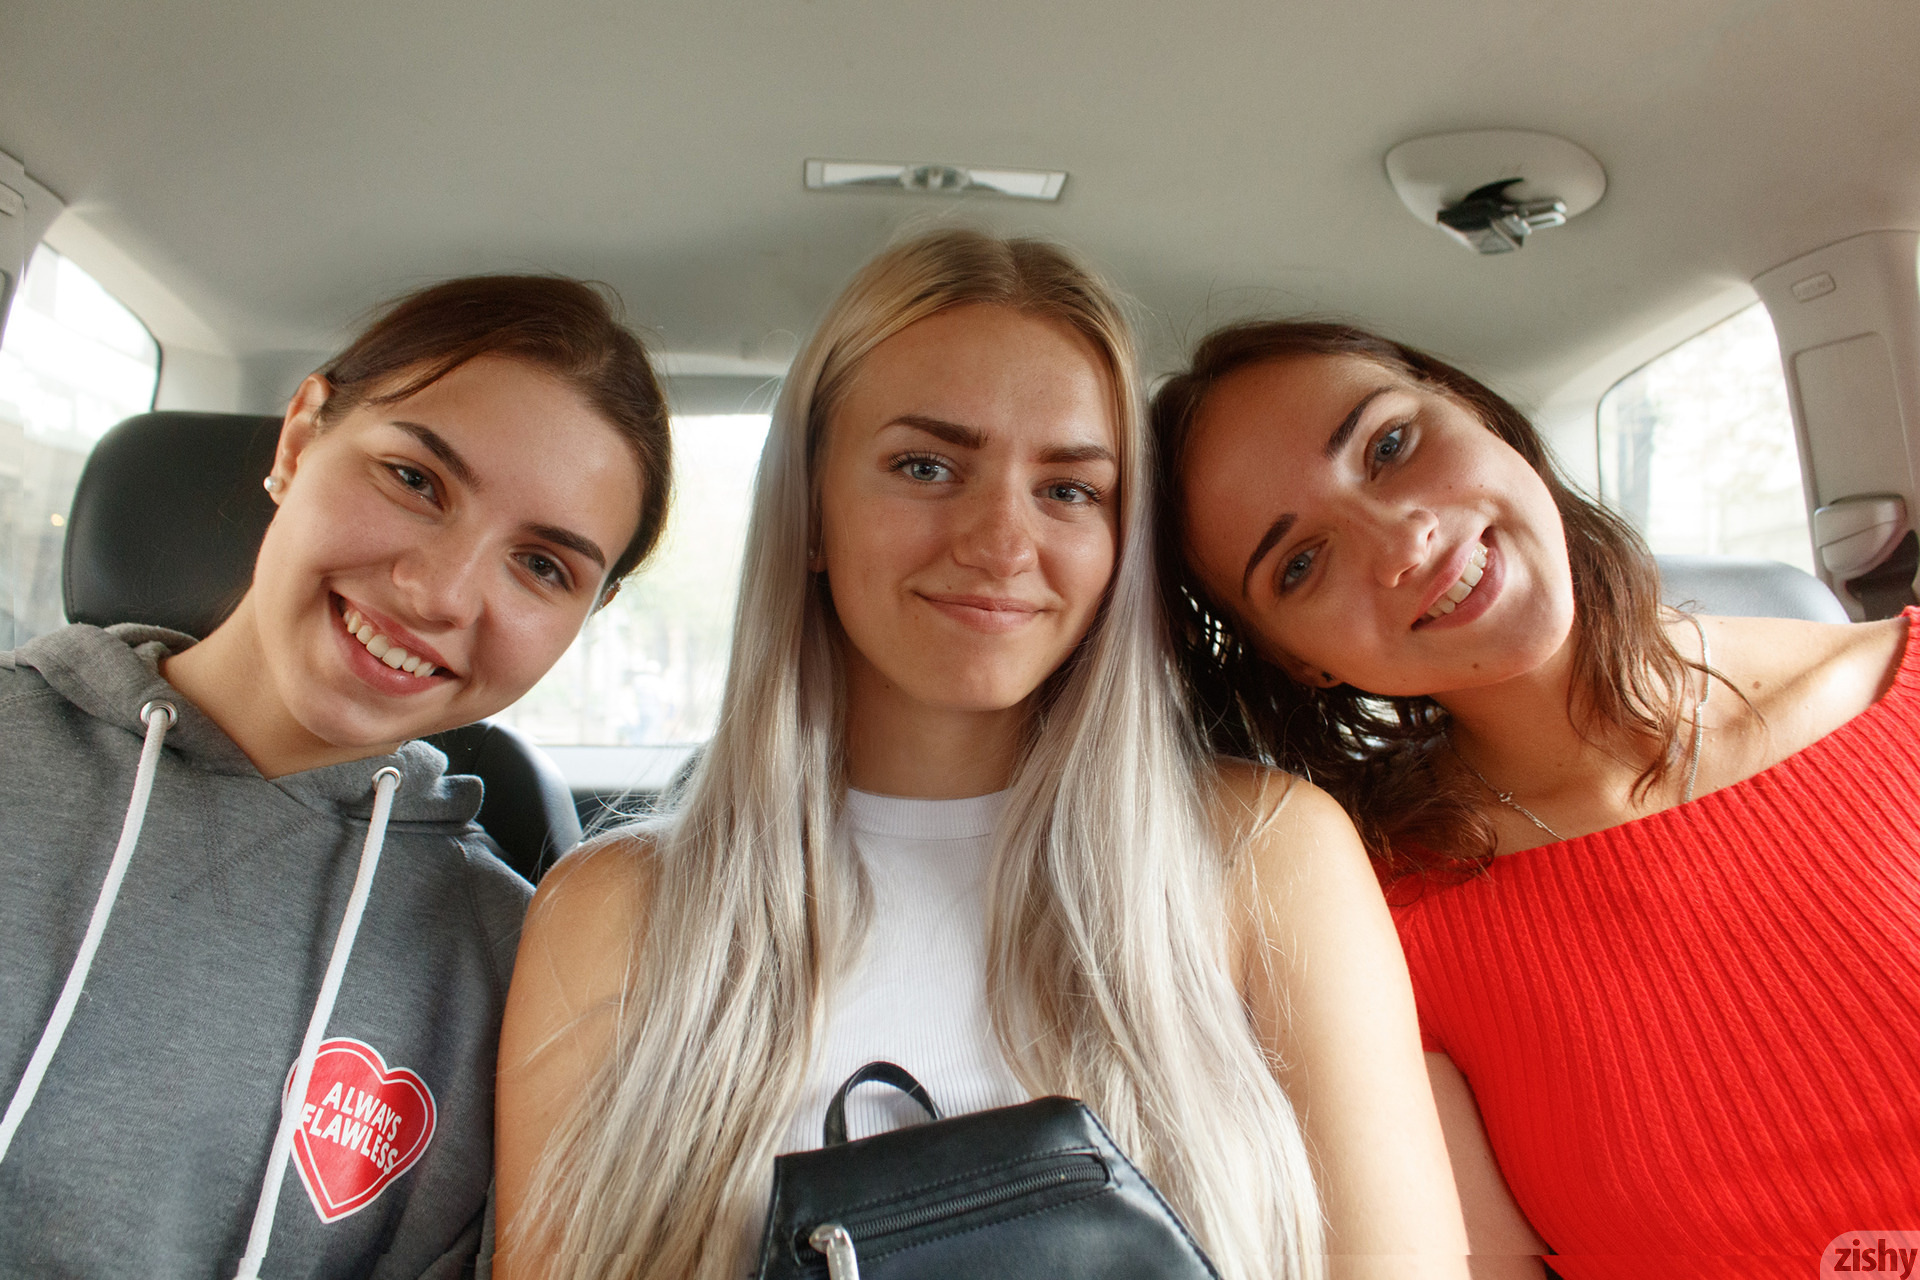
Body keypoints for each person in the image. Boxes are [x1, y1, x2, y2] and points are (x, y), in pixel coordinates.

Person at [494, 233, 1467, 1280]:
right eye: (925, 467)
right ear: (810, 510)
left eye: (1070, 490)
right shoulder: (610, 911)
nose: (1001, 541)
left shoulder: (1270, 856)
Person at [1149, 319, 1920, 1280]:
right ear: (1299, 662)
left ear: (1481, 414)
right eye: (1300, 563)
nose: (1403, 541)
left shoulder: (1898, 683)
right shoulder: (1365, 929)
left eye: (1389, 445)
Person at [0, 274, 673, 1279]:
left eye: (543, 565)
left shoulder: (514, 969)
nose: (439, 592)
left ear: (587, 617)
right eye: (414, 479)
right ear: (299, 439)